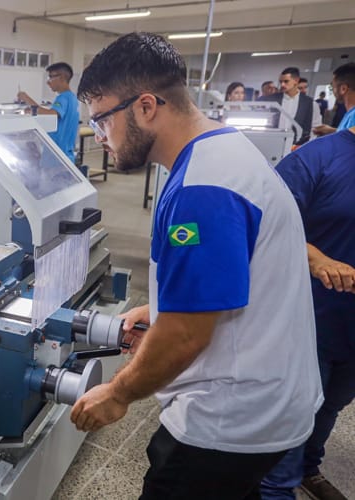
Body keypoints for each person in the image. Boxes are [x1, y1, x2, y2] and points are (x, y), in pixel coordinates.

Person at [71, 32, 322, 499]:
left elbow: (187, 334)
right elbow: (227, 275)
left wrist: (118, 393)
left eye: (102, 120)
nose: (98, 136)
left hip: (229, 421)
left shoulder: (203, 189)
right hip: (271, 398)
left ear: (146, 107)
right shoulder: (223, 150)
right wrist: (162, 308)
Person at [260, 127, 355, 500]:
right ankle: (276, 484)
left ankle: (307, 469)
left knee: (331, 405)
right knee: (297, 410)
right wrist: (316, 259)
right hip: (311, 320)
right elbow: (263, 221)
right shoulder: (317, 159)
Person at [16, 62, 79, 162]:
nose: (48, 82)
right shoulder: (72, 97)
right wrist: (33, 110)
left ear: (62, 78)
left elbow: (53, 113)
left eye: (50, 77)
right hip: (66, 154)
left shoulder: (63, 98)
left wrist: (26, 98)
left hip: (57, 155)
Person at [259, 67, 321, 145]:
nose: (282, 84)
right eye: (281, 82)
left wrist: (306, 145)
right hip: (273, 143)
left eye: (286, 81)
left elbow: (315, 128)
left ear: (296, 80)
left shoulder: (310, 103)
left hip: (298, 146)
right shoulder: (271, 100)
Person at [313, 63, 355, 136]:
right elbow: (349, 135)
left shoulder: (353, 116)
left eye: (333, 86)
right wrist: (331, 130)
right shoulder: (350, 114)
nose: (333, 91)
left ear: (343, 89)